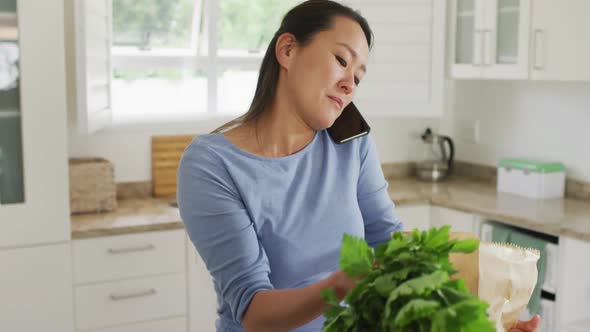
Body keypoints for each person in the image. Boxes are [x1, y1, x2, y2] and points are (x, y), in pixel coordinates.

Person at [177, 1, 540, 331]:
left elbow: (389, 243)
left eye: (359, 76)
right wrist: (343, 282)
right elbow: (254, 312)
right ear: (288, 50)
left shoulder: (351, 142)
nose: (350, 83)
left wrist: (482, 315)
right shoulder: (211, 165)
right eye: (341, 60)